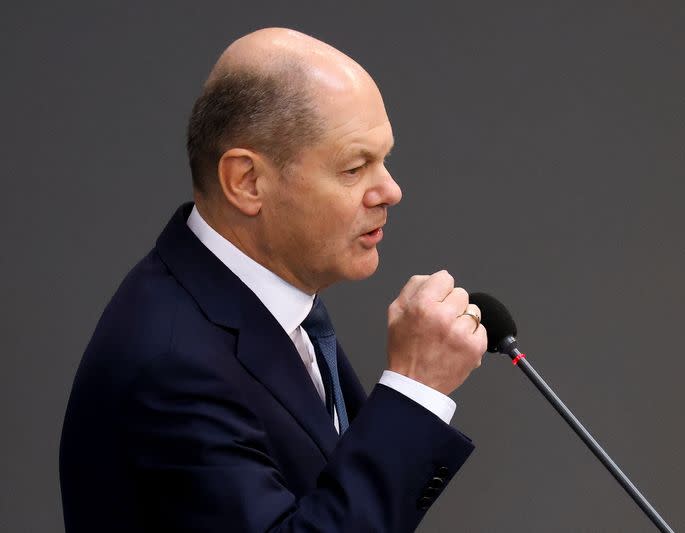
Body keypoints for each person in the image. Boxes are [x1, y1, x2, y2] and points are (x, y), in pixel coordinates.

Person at [59, 28, 487, 532]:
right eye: (355, 167)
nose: (390, 190)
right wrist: (416, 387)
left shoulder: (275, 302)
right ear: (247, 182)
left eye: (385, 159)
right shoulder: (171, 363)